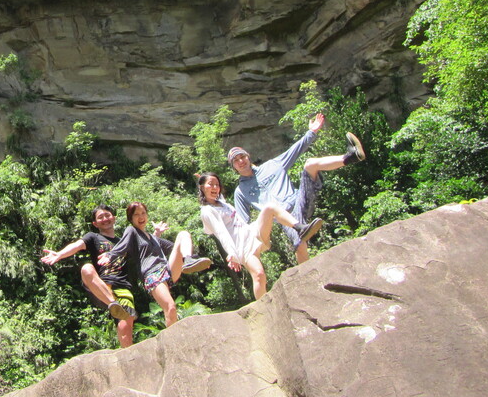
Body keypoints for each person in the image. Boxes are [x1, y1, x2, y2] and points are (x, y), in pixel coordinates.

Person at [227, 112, 365, 264]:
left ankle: (351, 156)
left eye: (242, 157)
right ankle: (306, 275)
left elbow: (295, 150)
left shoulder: (272, 165)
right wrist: (237, 252)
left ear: (248, 157)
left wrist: (312, 132)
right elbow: (242, 223)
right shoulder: (240, 192)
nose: (241, 161)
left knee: (310, 164)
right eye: (236, 160)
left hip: (300, 199)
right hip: (284, 217)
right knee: (299, 244)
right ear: (234, 167)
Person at [198, 172, 319, 300]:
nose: (215, 187)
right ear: (202, 187)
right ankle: (264, 307)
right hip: (241, 247)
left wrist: (203, 180)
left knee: (270, 208)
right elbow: (221, 232)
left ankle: (300, 228)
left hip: (251, 232)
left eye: (217, 185)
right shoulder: (207, 211)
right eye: (211, 184)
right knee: (259, 275)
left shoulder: (222, 203)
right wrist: (232, 253)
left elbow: (216, 195)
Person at [99, 202, 210, 329]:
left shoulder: (153, 238)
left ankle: (190, 260)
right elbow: (123, 244)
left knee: (183, 234)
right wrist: (111, 255)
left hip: (167, 270)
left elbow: (174, 247)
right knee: (170, 307)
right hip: (152, 274)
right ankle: (172, 339)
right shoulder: (132, 231)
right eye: (136, 214)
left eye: (143, 213)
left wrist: (195, 258)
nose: (141, 217)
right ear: (131, 218)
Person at [41, 205, 137, 348]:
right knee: (86, 268)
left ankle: (128, 353)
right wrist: (60, 254)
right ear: (95, 223)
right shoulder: (93, 237)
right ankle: (113, 303)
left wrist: (157, 234)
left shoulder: (123, 241)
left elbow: (144, 249)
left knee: (126, 323)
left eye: (107, 215)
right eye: (100, 217)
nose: (105, 219)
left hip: (122, 286)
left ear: (114, 218)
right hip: (101, 286)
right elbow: (77, 245)